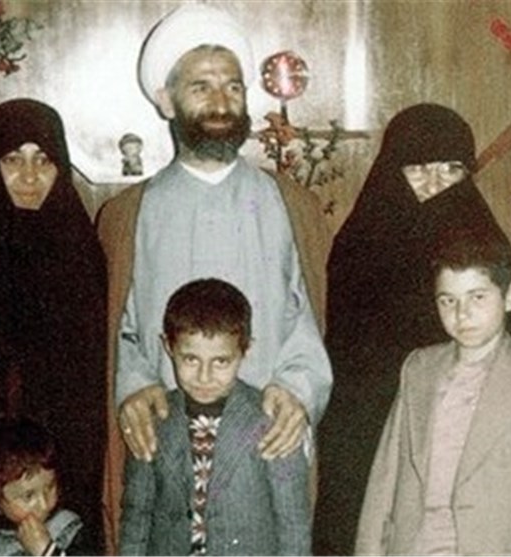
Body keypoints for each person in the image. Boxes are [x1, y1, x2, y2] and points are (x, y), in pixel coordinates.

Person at [95, 5, 332, 552]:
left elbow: (308, 320)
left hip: (265, 442)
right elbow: (120, 329)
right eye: (201, 87)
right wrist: (134, 388)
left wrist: (297, 393)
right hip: (168, 446)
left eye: (233, 86)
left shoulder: (290, 204)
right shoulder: (127, 215)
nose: (221, 102)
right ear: (166, 100)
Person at [313, 103, 511, 555]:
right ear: (392, 172)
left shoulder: (486, 246)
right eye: (418, 170)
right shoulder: (359, 246)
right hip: (371, 436)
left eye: (450, 170)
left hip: (466, 441)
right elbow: (347, 366)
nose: (434, 185)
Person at [0, 99, 108, 555]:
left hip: (57, 471)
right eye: (13, 160)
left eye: (43, 160)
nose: (29, 177)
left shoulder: (78, 252)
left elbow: (87, 381)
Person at [355, 230, 511, 555]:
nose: (462, 313)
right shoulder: (418, 369)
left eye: (478, 297)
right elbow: (383, 482)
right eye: (448, 300)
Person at [119, 278, 311, 555]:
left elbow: (294, 526)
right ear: (168, 346)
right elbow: (136, 515)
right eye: (190, 359)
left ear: (245, 350)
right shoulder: (151, 421)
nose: (204, 377)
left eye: (220, 361)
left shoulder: (272, 422)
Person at [0, 416, 93, 556]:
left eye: (50, 487)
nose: (44, 505)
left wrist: (47, 551)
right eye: (28, 496)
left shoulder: (68, 529)